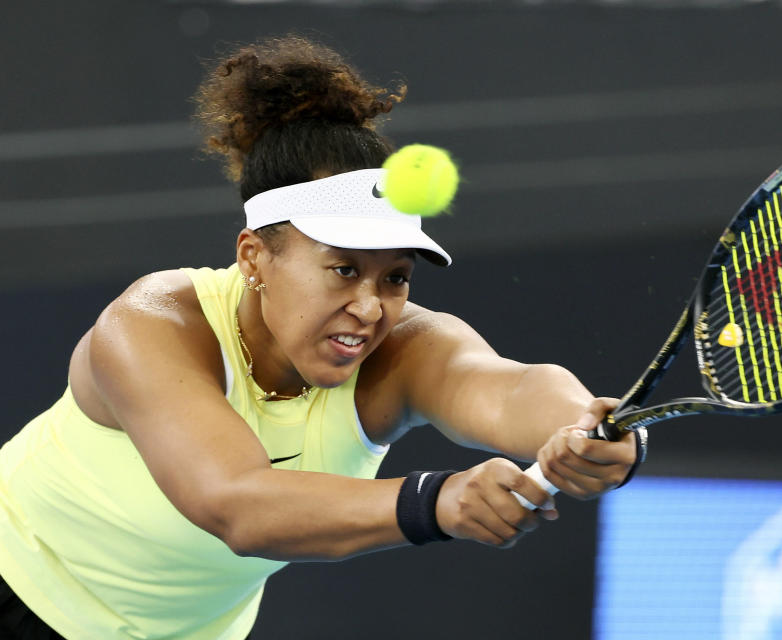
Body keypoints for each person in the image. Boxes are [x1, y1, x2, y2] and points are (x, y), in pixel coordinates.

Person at [0, 36, 639, 640]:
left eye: (395, 277)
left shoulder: (406, 350)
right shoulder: (152, 324)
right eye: (343, 268)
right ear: (254, 256)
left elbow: (511, 387)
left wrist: (591, 429)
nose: (369, 306)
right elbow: (237, 506)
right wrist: (435, 501)